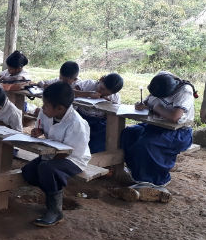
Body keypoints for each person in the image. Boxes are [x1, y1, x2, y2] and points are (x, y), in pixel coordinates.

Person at [116, 71, 197, 203]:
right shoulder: (162, 79)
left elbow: (175, 117)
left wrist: (157, 107)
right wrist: (143, 104)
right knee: (128, 133)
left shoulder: (184, 91)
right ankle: (137, 175)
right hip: (155, 126)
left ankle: (155, 181)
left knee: (146, 143)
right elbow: (149, 101)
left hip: (178, 133)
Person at [21, 82, 91, 227]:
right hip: (51, 153)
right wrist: (38, 131)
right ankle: (50, 191)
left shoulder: (76, 123)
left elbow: (71, 151)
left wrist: (47, 162)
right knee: (28, 172)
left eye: (46, 105)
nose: (42, 108)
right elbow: (41, 126)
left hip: (73, 158)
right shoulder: (46, 113)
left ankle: (55, 210)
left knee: (46, 169)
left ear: (59, 108)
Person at [74, 73, 124, 153]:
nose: (101, 92)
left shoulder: (115, 97)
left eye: (106, 93)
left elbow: (114, 114)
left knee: (103, 137)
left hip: (99, 122)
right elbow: (70, 91)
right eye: (101, 88)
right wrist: (88, 94)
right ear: (101, 79)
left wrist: (109, 105)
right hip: (81, 117)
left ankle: (94, 158)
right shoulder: (88, 84)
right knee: (78, 135)